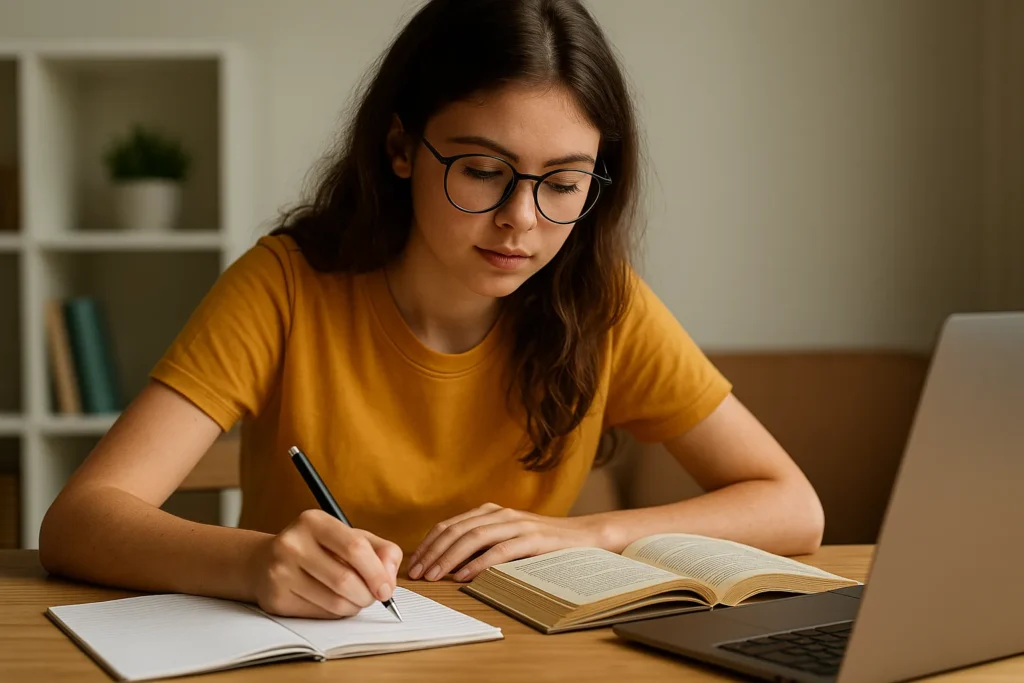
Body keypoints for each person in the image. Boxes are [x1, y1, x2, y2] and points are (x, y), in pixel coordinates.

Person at [39, 0, 824, 620]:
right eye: (483, 171)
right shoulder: (286, 284)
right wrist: (254, 562)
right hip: (322, 649)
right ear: (401, 148)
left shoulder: (601, 300)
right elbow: (80, 519)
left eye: (563, 182)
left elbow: (792, 505)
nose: (522, 218)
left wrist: (589, 534)